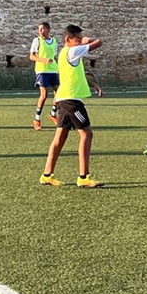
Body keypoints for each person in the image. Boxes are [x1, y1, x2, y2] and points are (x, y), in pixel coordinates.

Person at [40, 25, 104, 188]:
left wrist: (93, 84)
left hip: (63, 98)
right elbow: (99, 42)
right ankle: (83, 177)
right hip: (71, 101)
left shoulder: (64, 53)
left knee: (60, 138)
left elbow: (74, 75)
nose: (80, 42)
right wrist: (87, 40)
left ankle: (47, 175)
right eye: (78, 39)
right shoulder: (73, 50)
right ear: (68, 39)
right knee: (87, 134)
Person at [29, 21, 59, 131]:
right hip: (42, 70)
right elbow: (32, 56)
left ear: (48, 30)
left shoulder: (54, 41)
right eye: (39, 29)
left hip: (53, 70)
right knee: (44, 95)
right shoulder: (37, 41)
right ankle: (37, 119)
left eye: (42, 29)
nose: (40, 31)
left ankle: (53, 114)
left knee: (59, 93)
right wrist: (44, 60)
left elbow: (54, 56)